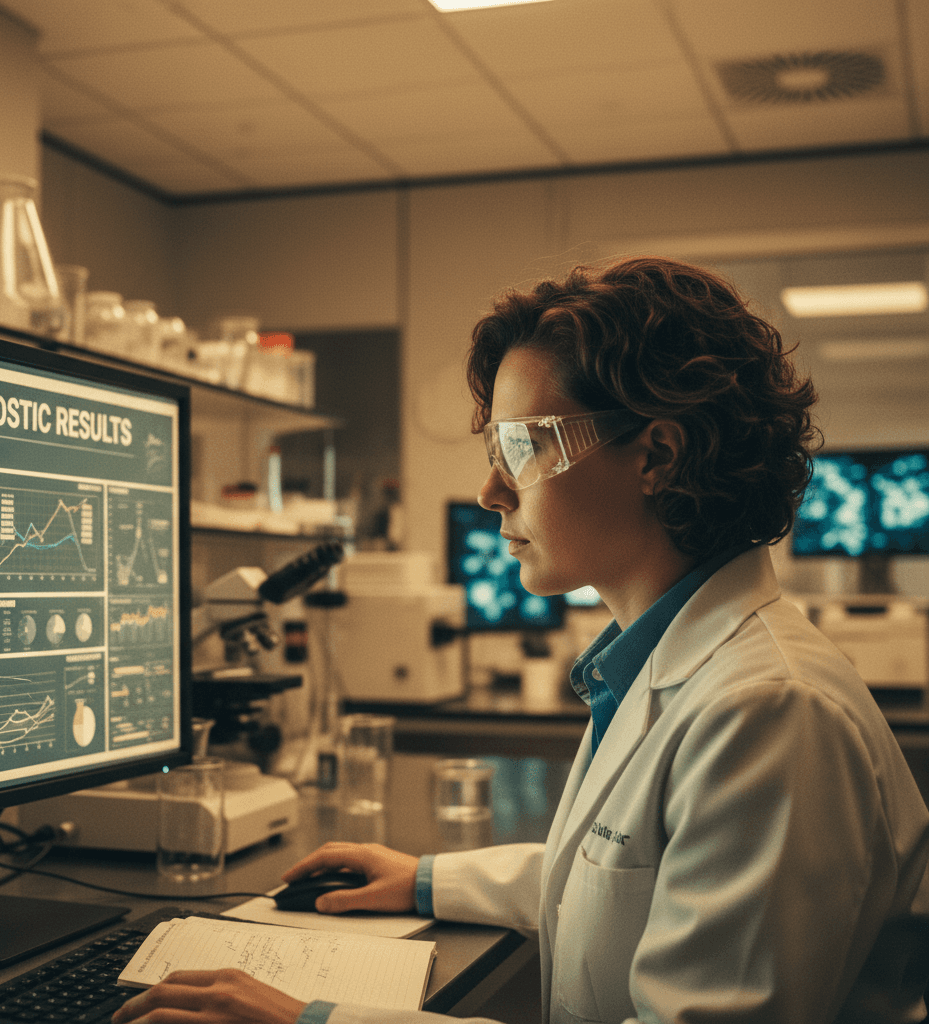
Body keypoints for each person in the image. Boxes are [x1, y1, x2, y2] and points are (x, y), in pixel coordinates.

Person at [113, 257, 929, 1024]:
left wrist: (311, 1019)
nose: (489, 488)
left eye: (522, 446)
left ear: (658, 456)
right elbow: (625, 876)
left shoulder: (769, 714)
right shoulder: (660, 663)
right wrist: (428, 879)